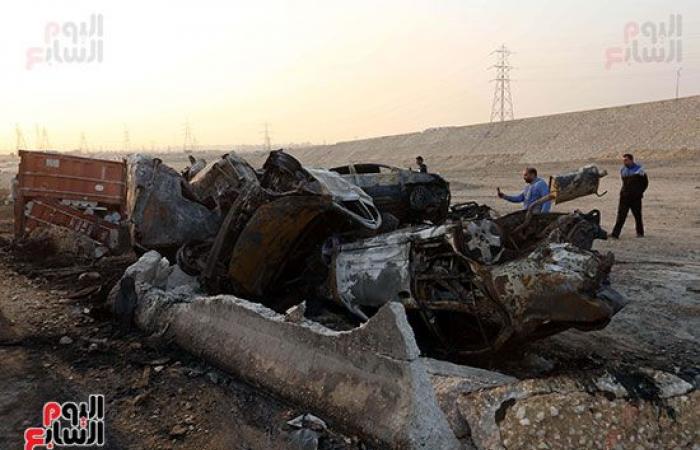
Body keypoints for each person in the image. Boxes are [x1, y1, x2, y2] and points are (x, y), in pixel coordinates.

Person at [611, 153, 648, 238]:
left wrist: (639, 192)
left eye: (626, 160)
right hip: (624, 196)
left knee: (637, 215)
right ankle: (615, 234)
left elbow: (645, 183)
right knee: (621, 215)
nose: (624, 162)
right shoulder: (623, 170)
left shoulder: (639, 170)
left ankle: (640, 233)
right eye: (623, 160)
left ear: (631, 160)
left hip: (635, 197)